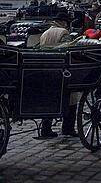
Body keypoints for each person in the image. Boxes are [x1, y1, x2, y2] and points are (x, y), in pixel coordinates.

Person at [39, 10, 77, 138]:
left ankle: (46, 128)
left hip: (47, 70)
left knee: (50, 99)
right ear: (63, 22)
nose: (67, 25)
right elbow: (68, 50)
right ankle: (68, 128)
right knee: (72, 99)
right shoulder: (64, 32)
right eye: (67, 23)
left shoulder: (45, 33)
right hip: (62, 70)